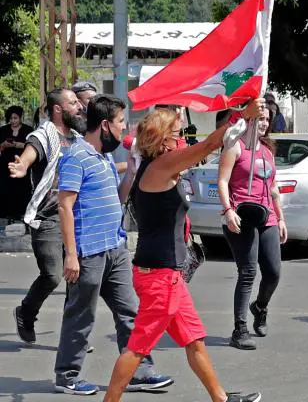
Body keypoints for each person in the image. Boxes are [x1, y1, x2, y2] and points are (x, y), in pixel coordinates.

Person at [103, 99, 263, 402]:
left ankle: (221, 399)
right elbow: (203, 149)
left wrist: (240, 124)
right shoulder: (161, 165)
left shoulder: (160, 165)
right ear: (163, 139)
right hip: (159, 275)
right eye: (178, 133)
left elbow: (207, 147)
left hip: (168, 274)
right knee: (138, 347)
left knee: (194, 340)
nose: (183, 137)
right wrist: (240, 115)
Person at [55, 94, 173, 395]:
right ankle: (67, 375)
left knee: (132, 312)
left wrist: (132, 171)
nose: (125, 129)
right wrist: (71, 255)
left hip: (115, 249)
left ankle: (139, 371)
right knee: (81, 315)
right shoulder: (75, 156)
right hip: (88, 251)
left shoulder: (105, 157)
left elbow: (118, 199)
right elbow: (65, 206)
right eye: (121, 122)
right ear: (105, 125)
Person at [9, 89, 84, 345]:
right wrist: (23, 166)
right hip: (48, 216)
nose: (79, 107)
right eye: (73, 103)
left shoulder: (77, 138)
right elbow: (30, 153)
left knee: (76, 275)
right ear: (58, 109)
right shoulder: (44, 135)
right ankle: (26, 313)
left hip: (75, 216)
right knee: (52, 274)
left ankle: (72, 333)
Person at [218, 109, 287, 350]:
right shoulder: (235, 147)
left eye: (268, 119)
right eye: (260, 118)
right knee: (247, 272)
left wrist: (280, 218)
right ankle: (240, 329)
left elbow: (274, 187)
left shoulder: (268, 152)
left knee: (273, 272)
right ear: (247, 120)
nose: (264, 123)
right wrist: (228, 211)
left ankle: (260, 307)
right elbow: (223, 181)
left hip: (266, 216)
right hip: (241, 216)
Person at [0, 105, 34, 220]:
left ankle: (21, 213)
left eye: (15, 118)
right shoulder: (3, 130)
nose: (13, 121)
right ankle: (6, 214)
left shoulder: (28, 130)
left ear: (20, 118)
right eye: (10, 119)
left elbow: (34, 146)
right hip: (5, 165)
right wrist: (3, 145)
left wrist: (20, 145)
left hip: (22, 164)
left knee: (22, 188)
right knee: (6, 188)